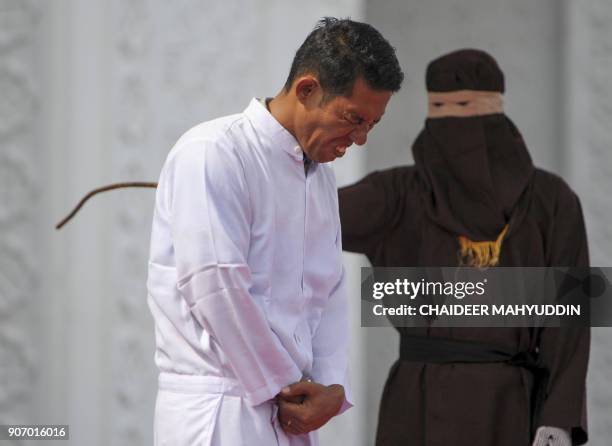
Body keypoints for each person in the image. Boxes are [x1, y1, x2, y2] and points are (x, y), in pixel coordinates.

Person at [146, 17, 403, 446]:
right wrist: (288, 386)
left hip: (293, 412)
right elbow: (215, 283)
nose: (359, 139)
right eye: (352, 118)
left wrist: (330, 388)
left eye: (370, 126)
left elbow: (330, 289)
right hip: (219, 413)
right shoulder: (213, 151)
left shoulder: (318, 176)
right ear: (307, 90)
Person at [339, 49, 589, 446]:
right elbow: (306, 217)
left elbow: (572, 315)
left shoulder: (552, 201)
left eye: (464, 106)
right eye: (441, 107)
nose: (454, 124)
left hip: (511, 409)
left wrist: (558, 418)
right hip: (417, 405)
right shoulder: (398, 194)